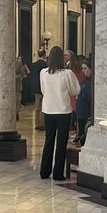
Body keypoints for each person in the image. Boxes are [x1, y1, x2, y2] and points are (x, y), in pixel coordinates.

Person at [39, 45, 80, 181]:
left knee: (48, 140)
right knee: (61, 142)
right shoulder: (67, 74)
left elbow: (43, 90)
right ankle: (58, 173)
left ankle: (44, 171)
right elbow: (75, 91)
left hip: (48, 110)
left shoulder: (43, 72)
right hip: (63, 110)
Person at [75, 59, 92, 145]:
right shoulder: (86, 80)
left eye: (85, 68)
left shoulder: (91, 82)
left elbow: (88, 96)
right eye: (82, 68)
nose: (83, 71)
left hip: (86, 112)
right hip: (81, 113)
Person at [30, 48, 47, 130]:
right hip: (44, 87)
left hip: (36, 87)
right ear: (44, 55)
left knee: (37, 107)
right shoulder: (46, 64)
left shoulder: (33, 65)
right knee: (44, 106)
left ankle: (36, 124)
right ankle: (43, 124)